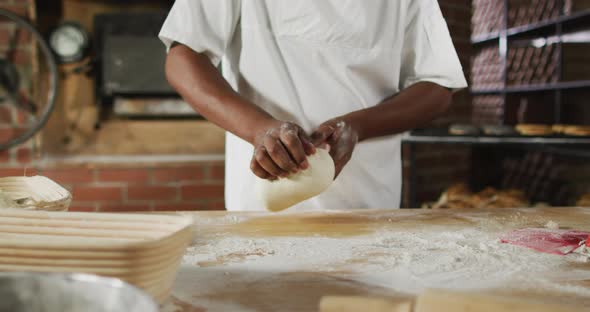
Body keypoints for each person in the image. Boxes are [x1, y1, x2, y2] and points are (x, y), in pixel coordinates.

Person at [159, 0, 467, 211]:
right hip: (260, 213)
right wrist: (260, 129)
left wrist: (358, 127)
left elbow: (438, 84)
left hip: (368, 207)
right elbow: (184, 58)